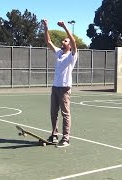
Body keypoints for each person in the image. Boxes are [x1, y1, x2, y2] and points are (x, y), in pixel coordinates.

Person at [42, 19, 78, 148]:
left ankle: (66, 138)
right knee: (53, 112)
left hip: (64, 88)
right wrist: (46, 26)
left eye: (66, 40)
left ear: (69, 45)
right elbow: (48, 41)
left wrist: (65, 27)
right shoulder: (59, 53)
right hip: (55, 87)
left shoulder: (72, 55)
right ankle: (55, 135)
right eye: (63, 40)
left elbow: (73, 41)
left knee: (65, 114)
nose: (64, 41)